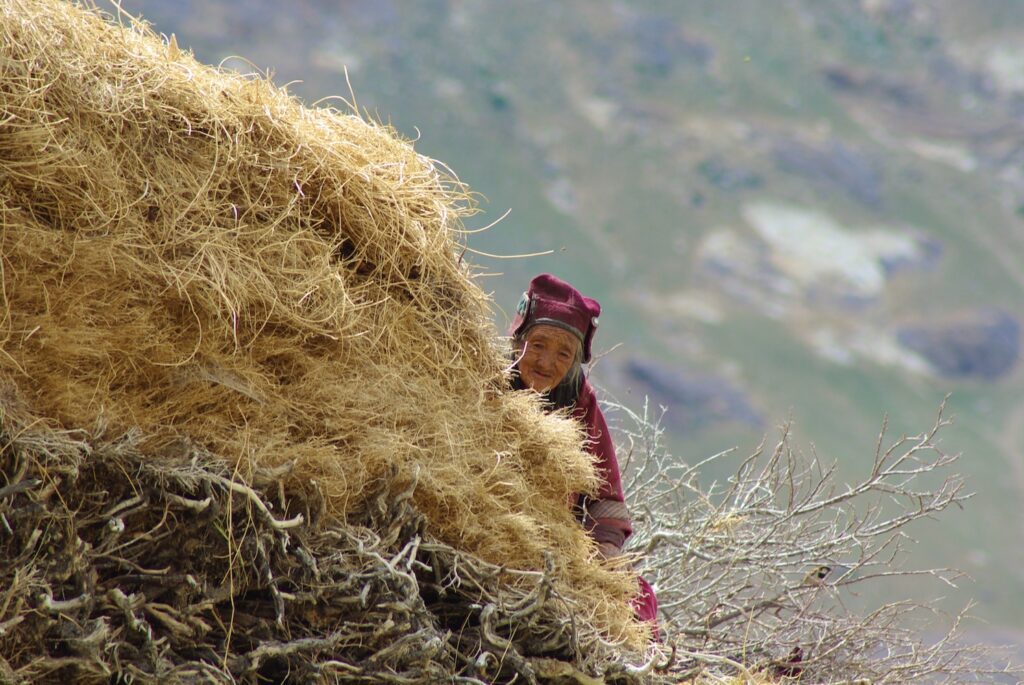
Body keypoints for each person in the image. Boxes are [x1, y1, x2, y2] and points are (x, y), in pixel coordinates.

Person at [509, 273, 659, 638]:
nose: (547, 362)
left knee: (635, 598)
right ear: (518, 342)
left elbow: (605, 495)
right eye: (539, 344)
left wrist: (605, 556)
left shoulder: (579, 401)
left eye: (564, 353)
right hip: (501, 527)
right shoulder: (488, 383)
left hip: (560, 544)